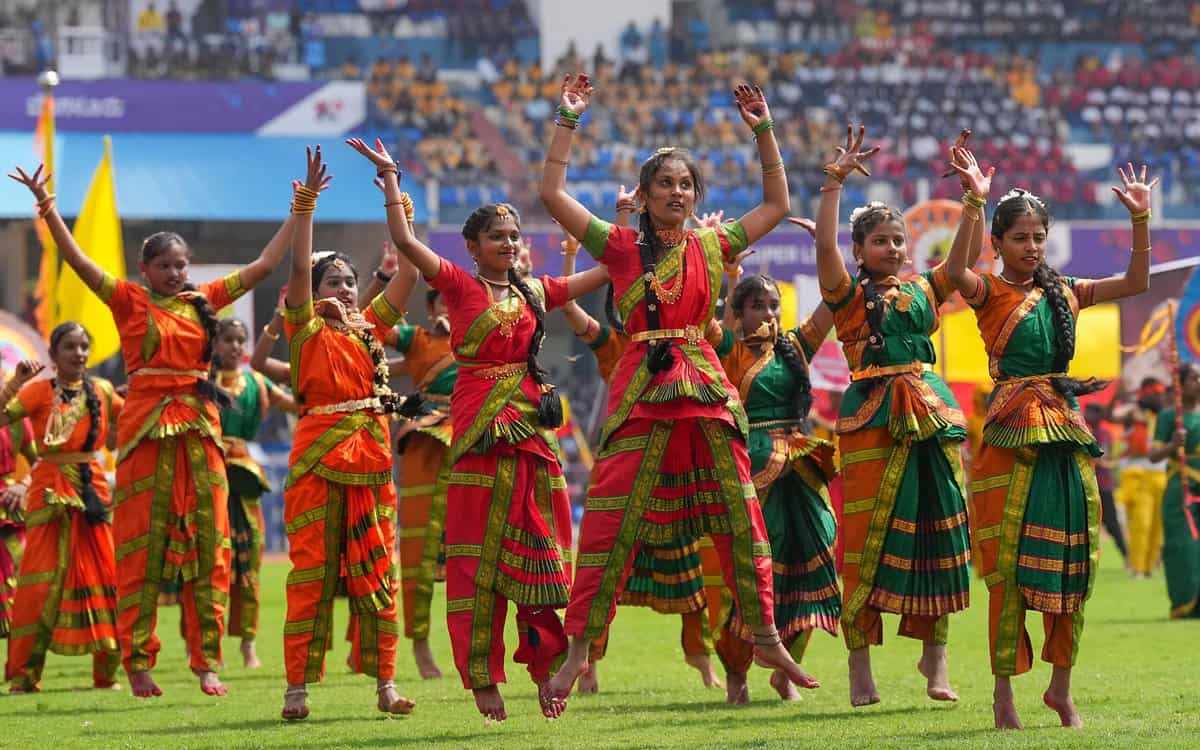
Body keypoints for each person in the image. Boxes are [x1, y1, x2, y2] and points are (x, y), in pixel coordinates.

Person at [540, 73, 816, 714]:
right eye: (662, 183)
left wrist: (763, 129)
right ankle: (580, 648)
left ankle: (767, 636)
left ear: (697, 197)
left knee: (742, 516)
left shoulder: (714, 245)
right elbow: (552, 192)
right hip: (641, 386)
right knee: (607, 520)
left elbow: (776, 204)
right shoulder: (619, 248)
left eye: (685, 184)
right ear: (642, 194)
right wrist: (568, 118)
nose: (675, 191)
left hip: (706, 386)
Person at [8, 161, 295, 698]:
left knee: (211, 547)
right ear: (145, 269)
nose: (175, 273)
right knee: (141, 548)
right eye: (164, 265)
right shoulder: (128, 300)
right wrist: (47, 208)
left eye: (181, 265)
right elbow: (77, 260)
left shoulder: (202, 302)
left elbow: (262, 267)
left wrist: (299, 212)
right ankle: (137, 662)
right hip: (144, 434)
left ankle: (207, 662)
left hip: (200, 435)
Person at [348, 134, 610, 722]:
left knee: (544, 549)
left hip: (530, 434)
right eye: (498, 237)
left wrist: (627, 238)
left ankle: (547, 667)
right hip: (476, 434)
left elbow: (598, 276)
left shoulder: (536, 291)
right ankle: (481, 677)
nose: (511, 245)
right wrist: (393, 182)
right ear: (472, 247)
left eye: (515, 237)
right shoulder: (460, 289)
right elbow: (405, 242)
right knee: (474, 556)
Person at [945, 151, 1155, 728]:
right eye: (1019, 238)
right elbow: (953, 271)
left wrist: (1139, 220)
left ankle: (1061, 688)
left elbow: (1137, 281)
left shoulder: (1066, 290)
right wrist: (973, 201)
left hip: (1064, 430)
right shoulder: (987, 291)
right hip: (1011, 431)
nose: (1031, 246)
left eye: (1038, 236)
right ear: (997, 242)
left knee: (1070, 561)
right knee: (1009, 563)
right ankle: (1003, 694)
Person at [278, 147, 419, 721]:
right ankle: (296, 690)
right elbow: (295, 270)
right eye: (331, 281)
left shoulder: (372, 331)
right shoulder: (304, 327)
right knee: (310, 572)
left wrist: (393, 186)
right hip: (317, 458)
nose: (343, 289)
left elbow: (410, 267)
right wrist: (306, 205)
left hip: (371, 458)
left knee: (379, 572)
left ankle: (386, 684)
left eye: (350, 281)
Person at [559, 220, 723, 693]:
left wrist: (720, 263)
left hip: (674, 473)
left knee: (692, 584)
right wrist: (572, 253)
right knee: (606, 571)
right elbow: (568, 306)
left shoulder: (687, 340)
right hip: (628, 475)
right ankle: (588, 665)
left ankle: (705, 664)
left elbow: (707, 308)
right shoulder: (616, 349)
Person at [711, 269, 842, 705]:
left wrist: (839, 259)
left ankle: (786, 669)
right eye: (757, 306)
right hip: (752, 466)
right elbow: (697, 315)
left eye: (773, 305)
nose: (768, 313)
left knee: (816, 559)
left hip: (800, 468)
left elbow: (833, 301)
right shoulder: (728, 349)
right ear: (738, 312)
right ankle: (737, 676)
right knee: (752, 571)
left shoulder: (795, 348)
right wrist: (725, 270)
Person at [2, 326, 122, 693]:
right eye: (70, 346)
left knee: (105, 578)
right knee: (37, 583)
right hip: (49, 490)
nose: (79, 353)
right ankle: (23, 677)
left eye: (85, 346)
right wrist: (15, 384)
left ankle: (107, 674)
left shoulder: (102, 390)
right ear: (53, 355)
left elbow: (125, 426)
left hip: (93, 492)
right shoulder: (37, 391)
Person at [211, 318, 296, 669]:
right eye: (227, 339)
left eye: (240, 340)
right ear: (214, 344)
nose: (234, 346)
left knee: (248, 562)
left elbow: (299, 404)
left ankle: (248, 645)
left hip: (244, 476)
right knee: (208, 561)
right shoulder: (201, 383)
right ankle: (201, 643)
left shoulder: (257, 383)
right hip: (208, 473)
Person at [385, 282, 455, 680]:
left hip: (477, 437)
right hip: (428, 439)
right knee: (418, 544)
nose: (451, 306)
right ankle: (420, 644)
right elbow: (373, 327)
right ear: (430, 309)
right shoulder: (416, 339)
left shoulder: (483, 334)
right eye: (444, 300)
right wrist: (389, 278)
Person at [1151, 363, 1200, 619]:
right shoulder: (1170, 416)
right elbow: (1153, 456)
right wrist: (1174, 444)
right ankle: (1185, 603)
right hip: (1181, 489)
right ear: (1181, 383)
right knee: (1184, 547)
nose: (1199, 382)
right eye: (1193, 377)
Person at [1112, 379, 1167, 577]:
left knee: (1157, 526)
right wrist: (1115, 398)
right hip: (1139, 476)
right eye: (1154, 393)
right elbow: (1110, 416)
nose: (1158, 396)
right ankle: (1137, 568)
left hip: (1161, 476)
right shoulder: (1132, 412)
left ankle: (1149, 567)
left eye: (1160, 393)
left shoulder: (1167, 415)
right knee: (1141, 524)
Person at [1084, 403, 1129, 563]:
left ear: (1099, 415)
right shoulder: (1088, 432)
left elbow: (1101, 457)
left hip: (1102, 484)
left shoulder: (1103, 433)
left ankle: (1127, 556)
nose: (1086, 414)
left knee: (1111, 523)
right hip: (1089, 483)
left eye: (1090, 411)